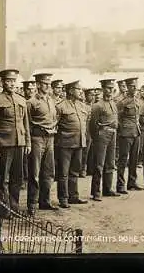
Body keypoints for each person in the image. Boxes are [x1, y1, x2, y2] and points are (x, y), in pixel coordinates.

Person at [0, 69, 31, 217]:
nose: (11, 84)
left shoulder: (21, 100)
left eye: (13, 81)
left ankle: (14, 208)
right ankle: (4, 210)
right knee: (2, 179)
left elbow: (26, 125)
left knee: (17, 178)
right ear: (2, 82)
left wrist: (28, 143)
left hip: (20, 143)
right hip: (4, 145)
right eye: (8, 81)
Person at [26, 73, 58, 215]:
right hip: (37, 139)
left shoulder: (50, 100)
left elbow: (54, 118)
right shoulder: (31, 102)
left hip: (50, 139)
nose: (47, 86)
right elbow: (26, 124)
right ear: (38, 84)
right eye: (45, 83)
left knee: (49, 172)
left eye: (49, 83)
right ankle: (32, 204)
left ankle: (44, 201)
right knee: (35, 173)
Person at [55, 80, 89, 208]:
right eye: (78, 89)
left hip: (79, 143)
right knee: (63, 173)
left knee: (75, 171)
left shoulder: (82, 106)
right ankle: (63, 198)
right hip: (65, 144)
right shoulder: (60, 106)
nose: (81, 91)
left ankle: (73, 196)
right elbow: (55, 125)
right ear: (70, 90)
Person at [89, 79, 119, 201]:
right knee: (99, 164)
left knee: (110, 163)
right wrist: (97, 137)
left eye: (112, 89)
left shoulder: (113, 103)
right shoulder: (97, 105)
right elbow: (92, 125)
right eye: (108, 88)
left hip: (113, 134)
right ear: (103, 89)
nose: (110, 91)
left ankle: (107, 189)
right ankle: (96, 191)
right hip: (102, 135)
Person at [116, 77, 143, 193]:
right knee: (123, 160)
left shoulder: (137, 99)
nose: (135, 88)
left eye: (136, 86)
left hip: (136, 132)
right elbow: (116, 116)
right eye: (132, 86)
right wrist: (122, 129)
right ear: (127, 87)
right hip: (126, 133)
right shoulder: (122, 101)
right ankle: (120, 185)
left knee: (134, 159)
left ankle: (132, 182)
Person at [80, 88, 96, 178]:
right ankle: (82, 169)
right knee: (85, 151)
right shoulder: (83, 106)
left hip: (93, 130)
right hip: (86, 130)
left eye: (94, 95)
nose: (93, 97)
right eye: (90, 95)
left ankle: (90, 168)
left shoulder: (94, 106)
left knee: (92, 151)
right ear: (86, 96)